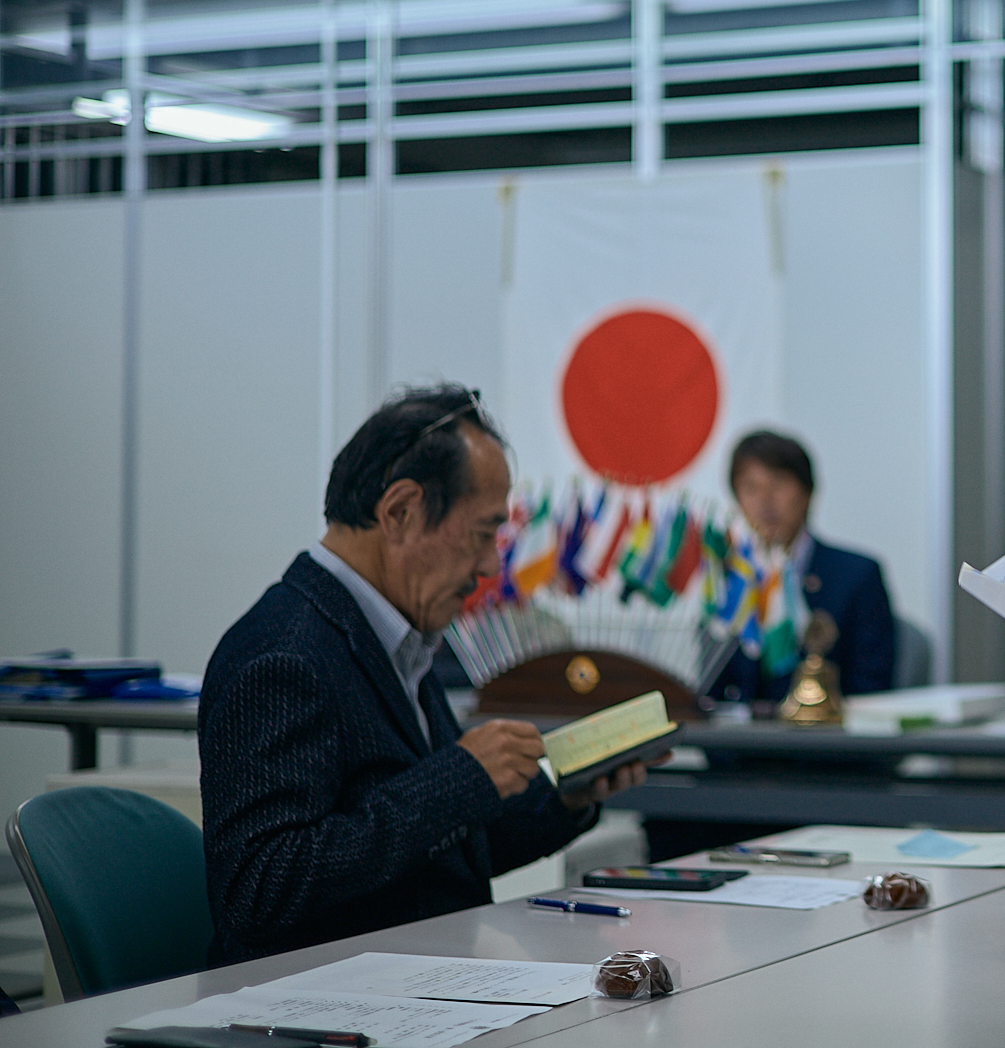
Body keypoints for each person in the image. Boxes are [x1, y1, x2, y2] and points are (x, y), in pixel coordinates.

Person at [200, 385, 650, 966]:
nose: (491, 565)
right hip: (317, 1011)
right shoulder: (283, 656)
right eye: (482, 533)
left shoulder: (400, 637)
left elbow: (440, 851)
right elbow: (261, 891)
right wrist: (459, 778)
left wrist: (565, 797)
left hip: (416, 987)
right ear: (400, 512)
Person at [703, 429, 896, 704]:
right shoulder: (727, 579)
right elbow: (711, 692)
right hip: (744, 744)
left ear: (807, 493)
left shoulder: (857, 576)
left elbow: (871, 690)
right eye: (750, 489)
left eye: (778, 485)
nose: (764, 502)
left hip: (827, 742)